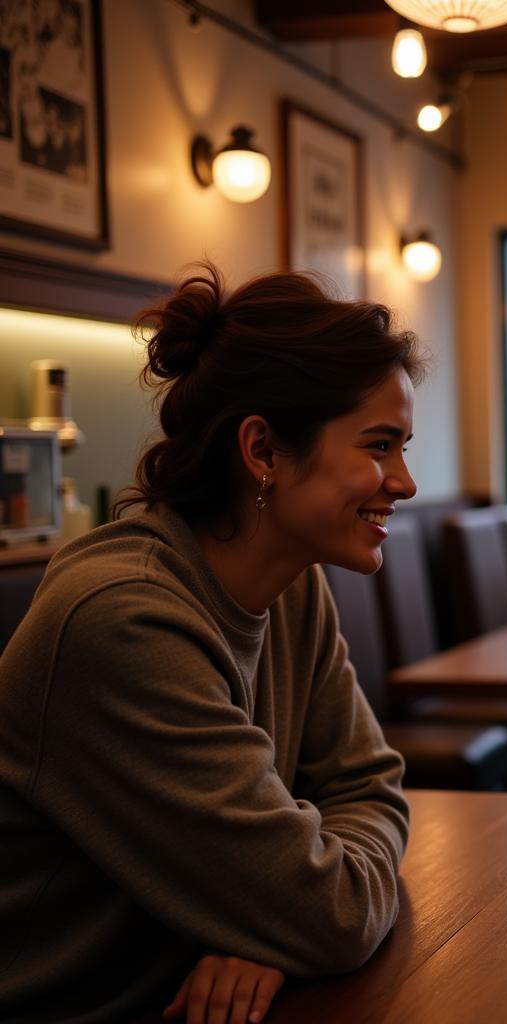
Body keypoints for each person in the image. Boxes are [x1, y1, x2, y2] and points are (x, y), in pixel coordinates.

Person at [0, 262, 422, 1023]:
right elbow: (332, 915)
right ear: (262, 450)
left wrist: (271, 918)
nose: (405, 481)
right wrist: (287, 908)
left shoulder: (292, 582)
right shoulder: (123, 620)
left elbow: (368, 789)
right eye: (380, 446)